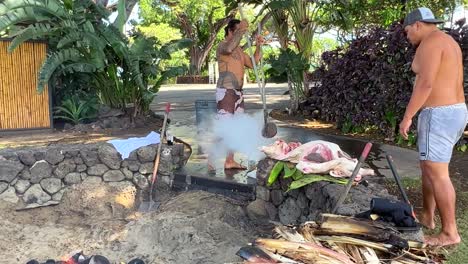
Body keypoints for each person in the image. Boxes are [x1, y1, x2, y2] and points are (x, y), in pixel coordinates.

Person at [400, 7, 468, 246]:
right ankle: (428, 216)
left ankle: (450, 233)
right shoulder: (448, 42)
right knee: (428, 166)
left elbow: (426, 84)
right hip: (455, 111)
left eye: (408, 31)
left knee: (438, 173)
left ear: (418, 24)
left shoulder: (430, 43)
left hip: (438, 114)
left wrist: (408, 116)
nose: (407, 36)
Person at [208, 19, 264, 171]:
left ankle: (229, 161)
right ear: (231, 31)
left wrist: (258, 45)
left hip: (238, 93)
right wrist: (242, 30)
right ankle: (211, 159)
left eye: (243, 31)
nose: (243, 33)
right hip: (226, 92)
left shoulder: (239, 50)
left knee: (236, 128)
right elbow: (228, 49)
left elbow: (254, 63)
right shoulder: (222, 46)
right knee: (224, 127)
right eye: (239, 31)